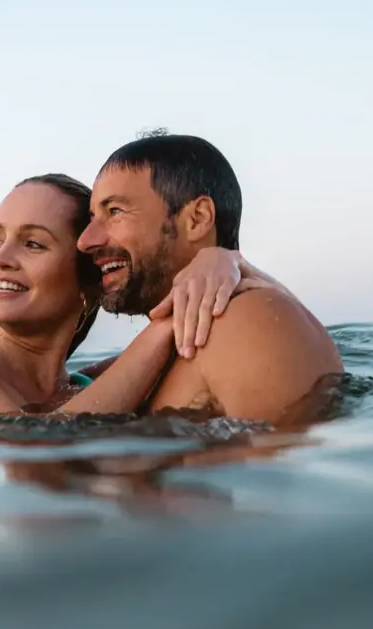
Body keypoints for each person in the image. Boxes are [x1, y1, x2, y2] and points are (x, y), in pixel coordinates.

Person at [0, 173, 289, 415]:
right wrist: (164, 325)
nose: (0, 258)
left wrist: (227, 262)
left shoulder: (100, 383)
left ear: (90, 283)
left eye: (33, 244)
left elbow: (289, 330)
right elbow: (24, 444)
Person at [78, 132, 344, 424]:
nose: (86, 241)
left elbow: (287, 464)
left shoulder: (250, 321)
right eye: (91, 219)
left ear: (197, 219)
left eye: (115, 211)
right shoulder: (137, 362)